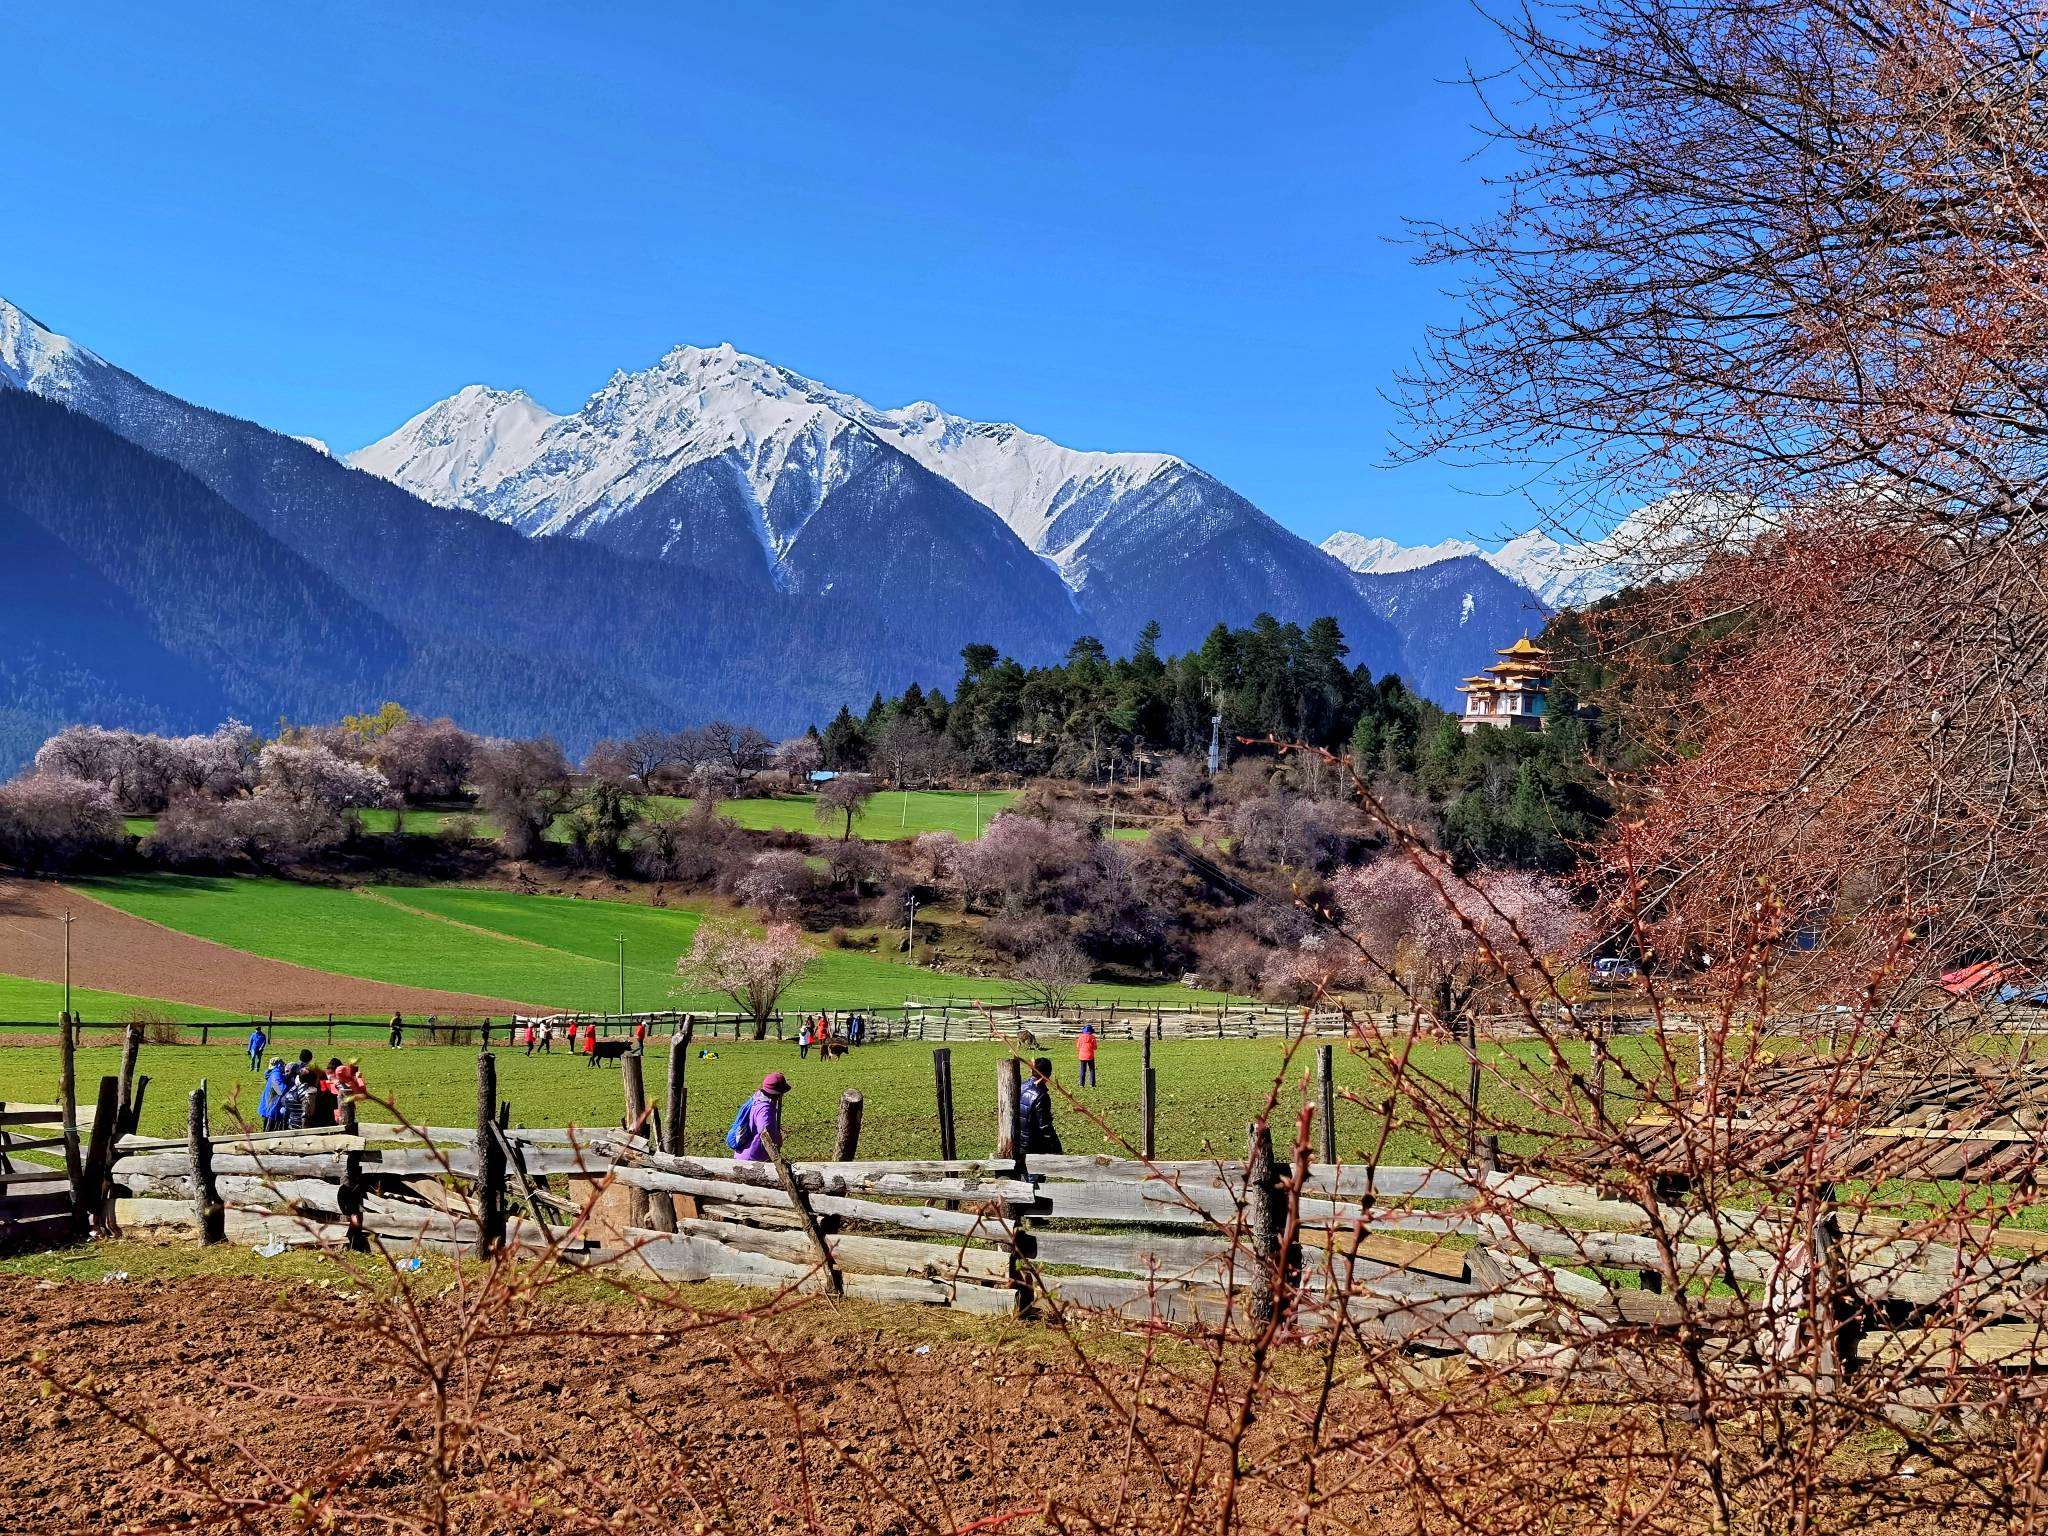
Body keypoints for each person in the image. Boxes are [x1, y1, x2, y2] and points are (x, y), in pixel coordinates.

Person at [728, 1072, 791, 1162]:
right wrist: (777, 1139)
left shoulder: (757, 1098)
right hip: (753, 1158)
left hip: (744, 1154)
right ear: (778, 1093)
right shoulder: (765, 1108)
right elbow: (765, 1132)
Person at [1020, 1057, 1064, 1154]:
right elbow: (1044, 1126)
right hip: (1033, 1145)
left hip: (1019, 1140)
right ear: (1047, 1074)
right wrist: (1056, 1148)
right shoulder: (1041, 1096)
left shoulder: (1021, 1086)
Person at [258, 1057, 289, 1131]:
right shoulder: (276, 1074)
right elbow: (279, 1090)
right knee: (269, 1132)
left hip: (269, 1106)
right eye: (282, 1064)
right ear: (279, 1065)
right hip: (272, 1108)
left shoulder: (273, 1074)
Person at [1076, 1023, 1098, 1087]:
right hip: (1090, 1056)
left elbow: (1078, 1046)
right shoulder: (1092, 1037)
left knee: (1082, 1070)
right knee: (1092, 1070)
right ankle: (1092, 1084)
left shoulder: (1080, 1037)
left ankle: (1081, 1084)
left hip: (1082, 1056)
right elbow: (1095, 1047)